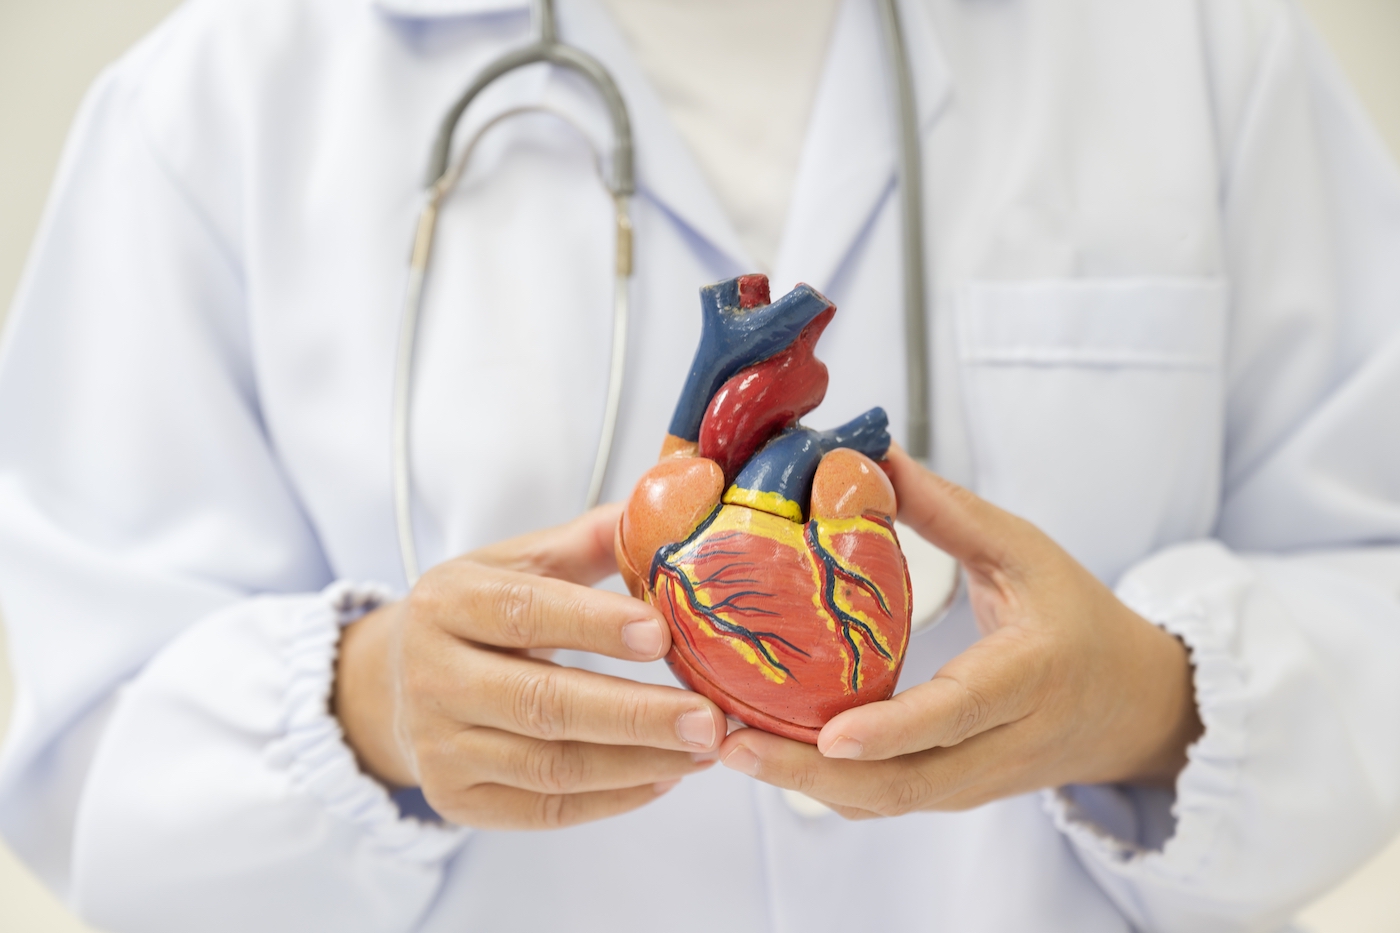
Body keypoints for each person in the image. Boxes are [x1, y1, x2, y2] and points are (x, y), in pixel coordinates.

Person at [1, 0, 1398, 930]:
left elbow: (1376, 583)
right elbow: (95, 771)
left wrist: (1152, 703)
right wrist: (372, 711)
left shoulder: (1198, 45)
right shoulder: (227, 96)